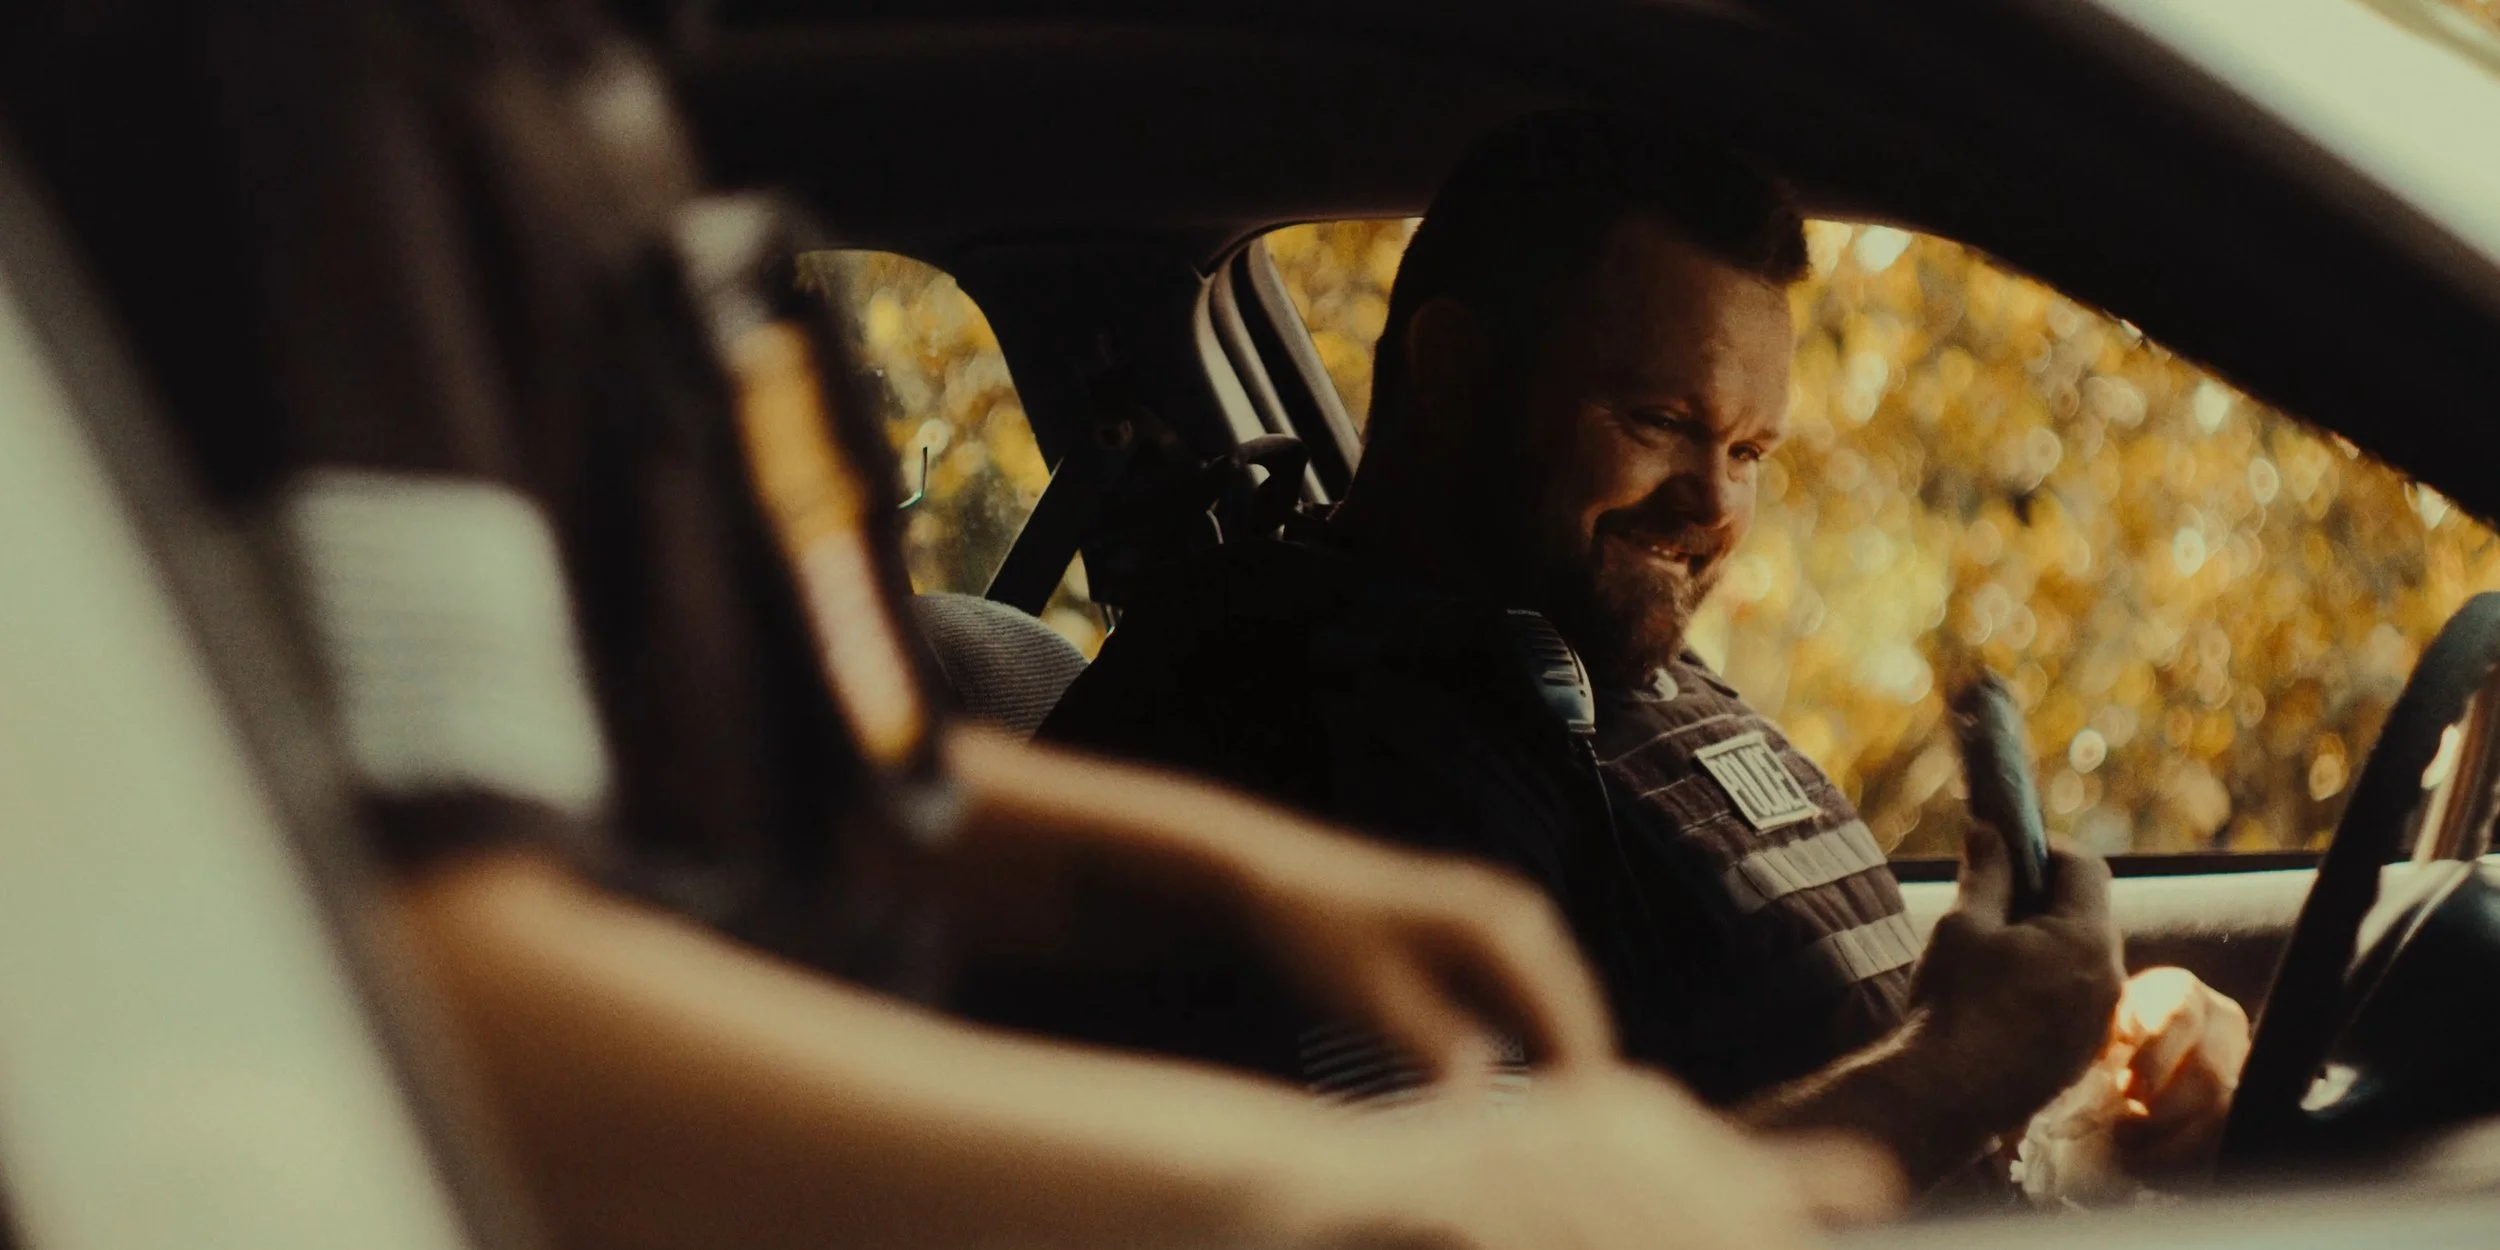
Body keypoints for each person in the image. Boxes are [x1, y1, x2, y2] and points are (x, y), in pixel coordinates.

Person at [0, 4, 1902, 1248]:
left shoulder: (631, 147)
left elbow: (863, 784)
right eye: (1662, 422)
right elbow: (409, 985)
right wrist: (1353, 1189)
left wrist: (1263, 885)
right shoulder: (305, 91)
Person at [1040, 109, 2248, 1192]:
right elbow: (1447, 1228)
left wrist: (2089, 1078)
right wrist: (1957, 1066)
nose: (1714, 504)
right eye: (1660, 421)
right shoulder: (1284, 724)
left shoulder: (1579, 654)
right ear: (1453, 373)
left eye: (1753, 453)